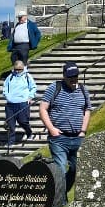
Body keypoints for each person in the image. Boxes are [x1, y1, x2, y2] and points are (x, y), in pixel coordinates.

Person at [38, 62, 91, 194]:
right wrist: (52, 129)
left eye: (75, 76)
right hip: (59, 138)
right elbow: (43, 109)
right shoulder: (54, 88)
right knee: (60, 168)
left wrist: (83, 131)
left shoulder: (83, 90)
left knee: (76, 169)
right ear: (64, 76)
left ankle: (60, 193)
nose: (73, 79)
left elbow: (87, 110)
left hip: (77, 137)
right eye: (70, 77)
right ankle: (61, 201)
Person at [1, 58, 37, 147]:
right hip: (10, 104)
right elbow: (5, 87)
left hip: (22, 103)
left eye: (19, 69)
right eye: (16, 69)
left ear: (23, 68)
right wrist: (6, 95)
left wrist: (30, 97)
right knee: (10, 124)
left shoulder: (27, 76)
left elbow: (33, 87)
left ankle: (29, 132)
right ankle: (11, 142)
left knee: (23, 121)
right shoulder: (10, 76)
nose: (17, 71)